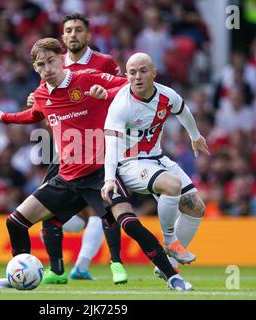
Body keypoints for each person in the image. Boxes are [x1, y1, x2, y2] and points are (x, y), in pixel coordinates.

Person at [0, 38, 193, 291]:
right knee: (15, 222)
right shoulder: (40, 94)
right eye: (41, 65)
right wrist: (4, 117)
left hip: (99, 173)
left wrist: (106, 93)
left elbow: (130, 84)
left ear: (62, 59)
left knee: (129, 223)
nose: (47, 68)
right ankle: (17, 275)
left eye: (51, 61)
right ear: (36, 69)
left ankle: (172, 276)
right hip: (67, 178)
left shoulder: (87, 78)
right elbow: (35, 114)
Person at [25, 13, 127, 284]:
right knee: (51, 210)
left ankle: (97, 263)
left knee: (103, 208)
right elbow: (43, 106)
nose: (73, 35)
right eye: (68, 30)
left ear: (88, 35)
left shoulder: (104, 62)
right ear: (62, 38)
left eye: (78, 30)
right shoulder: (50, 62)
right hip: (63, 152)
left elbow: (121, 95)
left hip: (98, 148)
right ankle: (58, 268)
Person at [101, 52, 210, 280]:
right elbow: (110, 145)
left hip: (156, 158)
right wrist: (109, 178)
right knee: (172, 185)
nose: (137, 77)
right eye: (132, 73)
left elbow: (183, 111)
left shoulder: (166, 95)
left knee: (196, 207)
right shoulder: (121, 105)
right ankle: (169, 241)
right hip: (129, 163)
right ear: (127, 75)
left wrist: (195, 136)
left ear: (153, 73)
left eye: (142, 71)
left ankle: (165, 265)